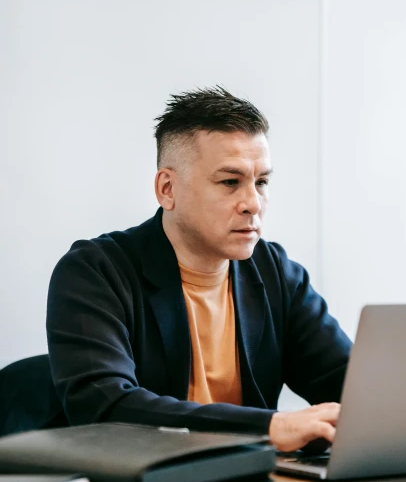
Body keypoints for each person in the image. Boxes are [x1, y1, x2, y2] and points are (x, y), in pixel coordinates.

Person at [47, 87, 352, 452]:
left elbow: (352, 387)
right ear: (167, 189)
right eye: (230, 182)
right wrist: (267, 427)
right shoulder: (94, 272)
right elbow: (105, 407)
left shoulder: (277, 273)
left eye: (262, 182)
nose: (253, 203)